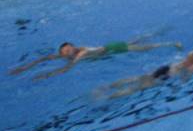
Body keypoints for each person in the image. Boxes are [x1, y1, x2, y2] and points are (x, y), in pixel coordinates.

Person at [10, 37, 180, 80]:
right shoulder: (69, 54)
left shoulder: (81, 53)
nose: (67, 53)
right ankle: (150, 35)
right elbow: (45, 58)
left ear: (73, 47)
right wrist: (24, 68)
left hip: (113, 49)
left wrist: (47, 75)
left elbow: (68, 68)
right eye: (64, 52)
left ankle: (170, 44)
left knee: (144, 48)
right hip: (107, 48)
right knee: (137, 43)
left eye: (68, 49)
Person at [95, 45, 193, 99]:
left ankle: (107, 86)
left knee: (138, 78)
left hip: (166, 68)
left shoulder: (192, 53)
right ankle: (108, 97)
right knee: (137, 88)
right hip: (168, 75)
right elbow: (185, 78)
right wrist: (178, 87)